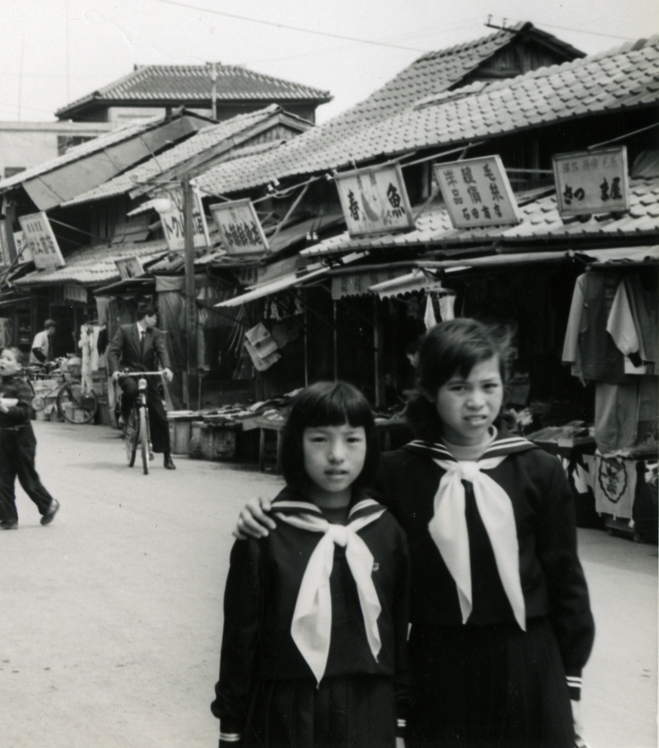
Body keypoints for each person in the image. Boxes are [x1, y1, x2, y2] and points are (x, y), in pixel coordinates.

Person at [235, 319, 594, 747]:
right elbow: (328, 503)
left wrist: (568, 684)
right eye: (459, 388)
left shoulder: (539, 470)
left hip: (529, 658)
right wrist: (265, 510)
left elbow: (565, 579)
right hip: (438, 663)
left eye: (489, 386)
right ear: (429, 390)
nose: (476, 402)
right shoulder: (397, 471)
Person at [212, 382, 409, 747]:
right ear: (295, 444)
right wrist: (231, 728)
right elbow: (240, 641)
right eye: (319, 440)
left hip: (370, 713)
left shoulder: (386, 531)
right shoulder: (266, 531)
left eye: (352, 439)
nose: (337, 455)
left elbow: (398, 634)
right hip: (286, 715)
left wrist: (398, 721)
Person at [0, 347, 59, 531]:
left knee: (27, 479)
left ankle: (49, 505)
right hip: (5, 437)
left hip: (22, 437)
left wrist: (7, 410)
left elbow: (26, 411)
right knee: (1, 479)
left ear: (19, 366)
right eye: (1, 358)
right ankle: (8, 519)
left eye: (8, 359)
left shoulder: (22, 386)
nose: (2, 362)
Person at [107, 301, 176, 470]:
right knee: (131, 390)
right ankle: (124, 414)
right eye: (153, 317)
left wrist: (167, 368)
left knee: (160, 414)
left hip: (148, 377)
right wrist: (115, 371)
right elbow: (114, 352)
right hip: (129, 373)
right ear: (146, 317)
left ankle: (167, 456)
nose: (155, 320)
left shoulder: (156, 334)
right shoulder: (125, 330)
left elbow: (162, 351)